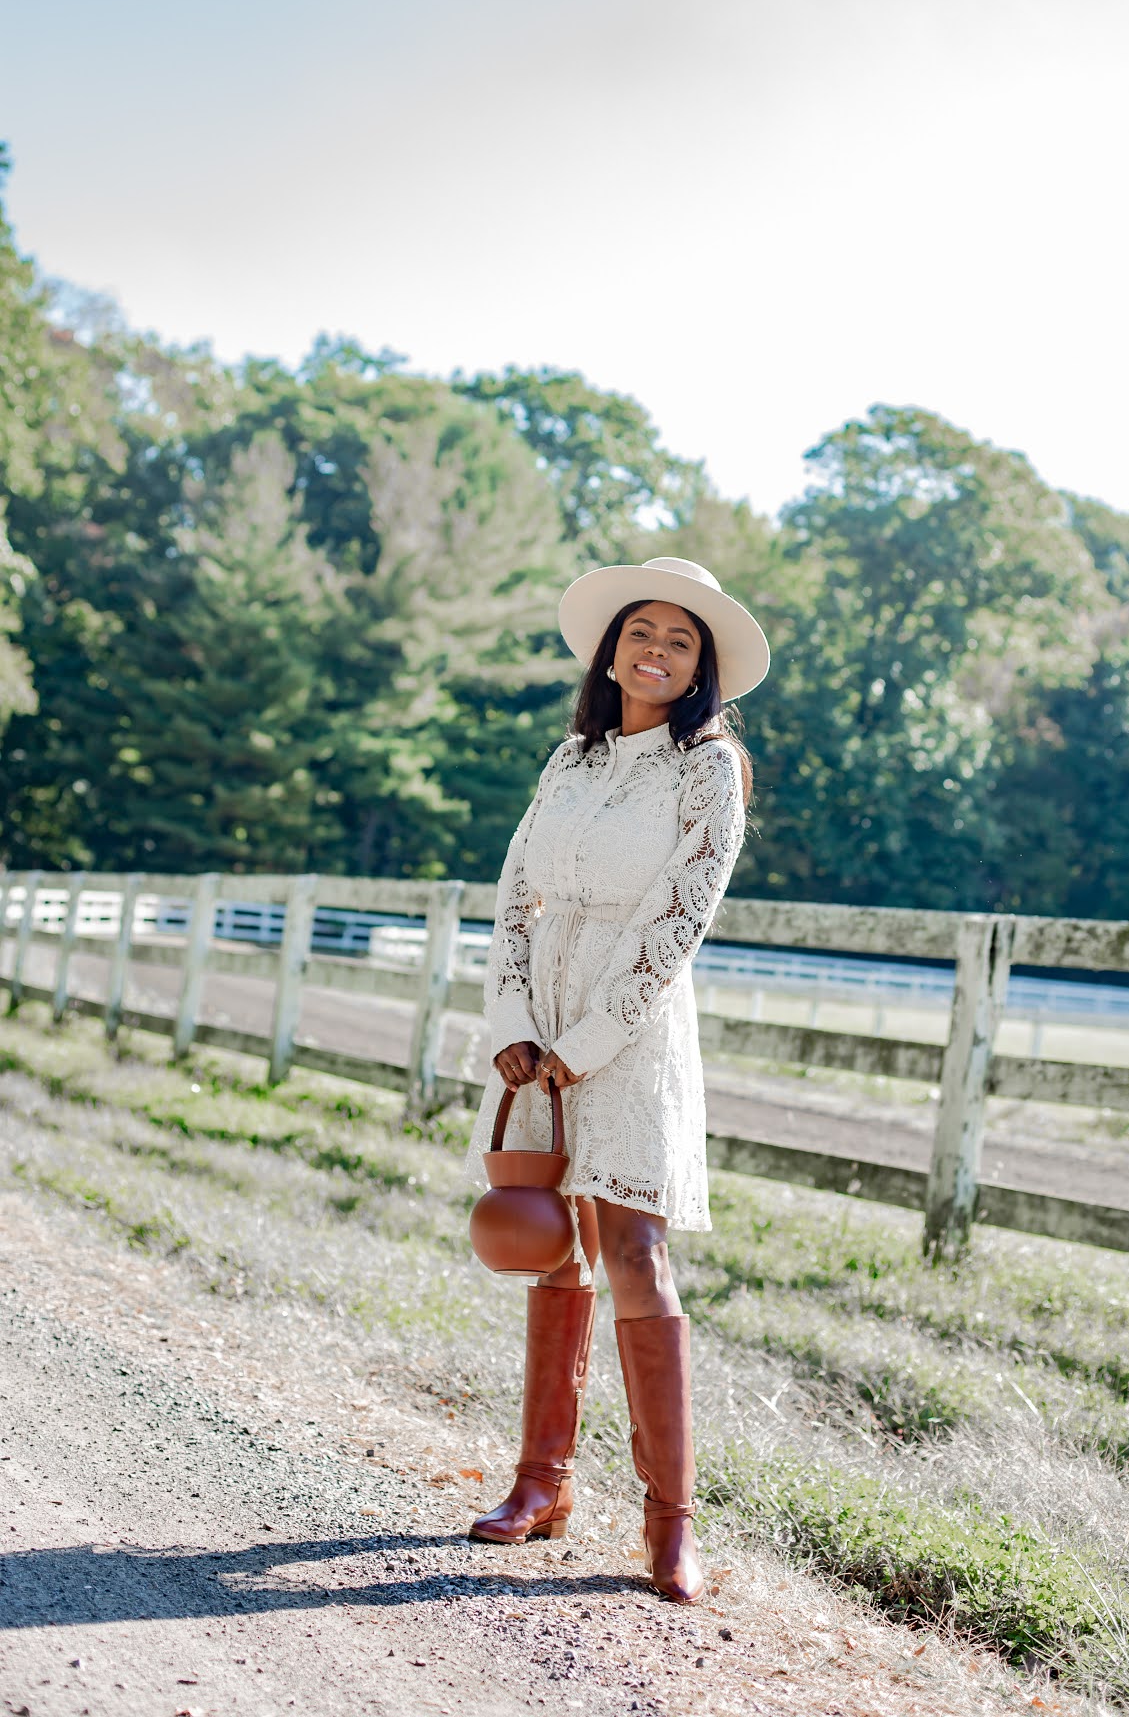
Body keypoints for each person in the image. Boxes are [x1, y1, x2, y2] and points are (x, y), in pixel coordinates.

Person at [465, 554, 769, 1604]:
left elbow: (680, 920)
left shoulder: (709, 768)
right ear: (611, 648)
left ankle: (669, 1524)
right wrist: (512, 1018)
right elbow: (514, 890)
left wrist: (586, 1039)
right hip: (537, 1012)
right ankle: (540, 1485)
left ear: (701, 666)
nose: (655, 648)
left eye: (680, 638)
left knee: (634, 1250)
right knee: (553, 1244)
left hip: (628, 1025)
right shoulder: (572, 757)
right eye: (641, 630)